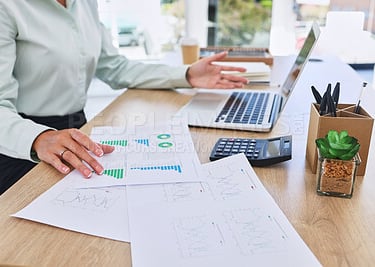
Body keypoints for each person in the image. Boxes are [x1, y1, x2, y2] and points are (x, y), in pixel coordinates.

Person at [0, 0, 248, 194]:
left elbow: (115, 67)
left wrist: (185, 75)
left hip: (77, 130)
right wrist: (39, 138)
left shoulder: (85, 4)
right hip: (22, 142)